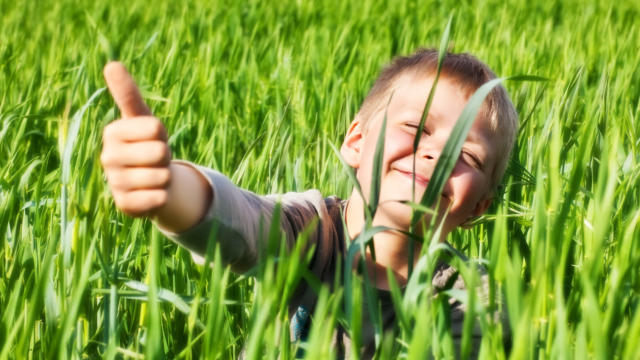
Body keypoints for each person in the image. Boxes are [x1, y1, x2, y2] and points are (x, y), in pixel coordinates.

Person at [100, 48, 517, 358]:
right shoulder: (312, 230)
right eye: (417, 127)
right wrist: (169, 186)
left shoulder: (473, 296)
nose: (439, 156)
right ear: (356, 142)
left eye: (468, 156)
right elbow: (242, 222)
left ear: (480, 206)